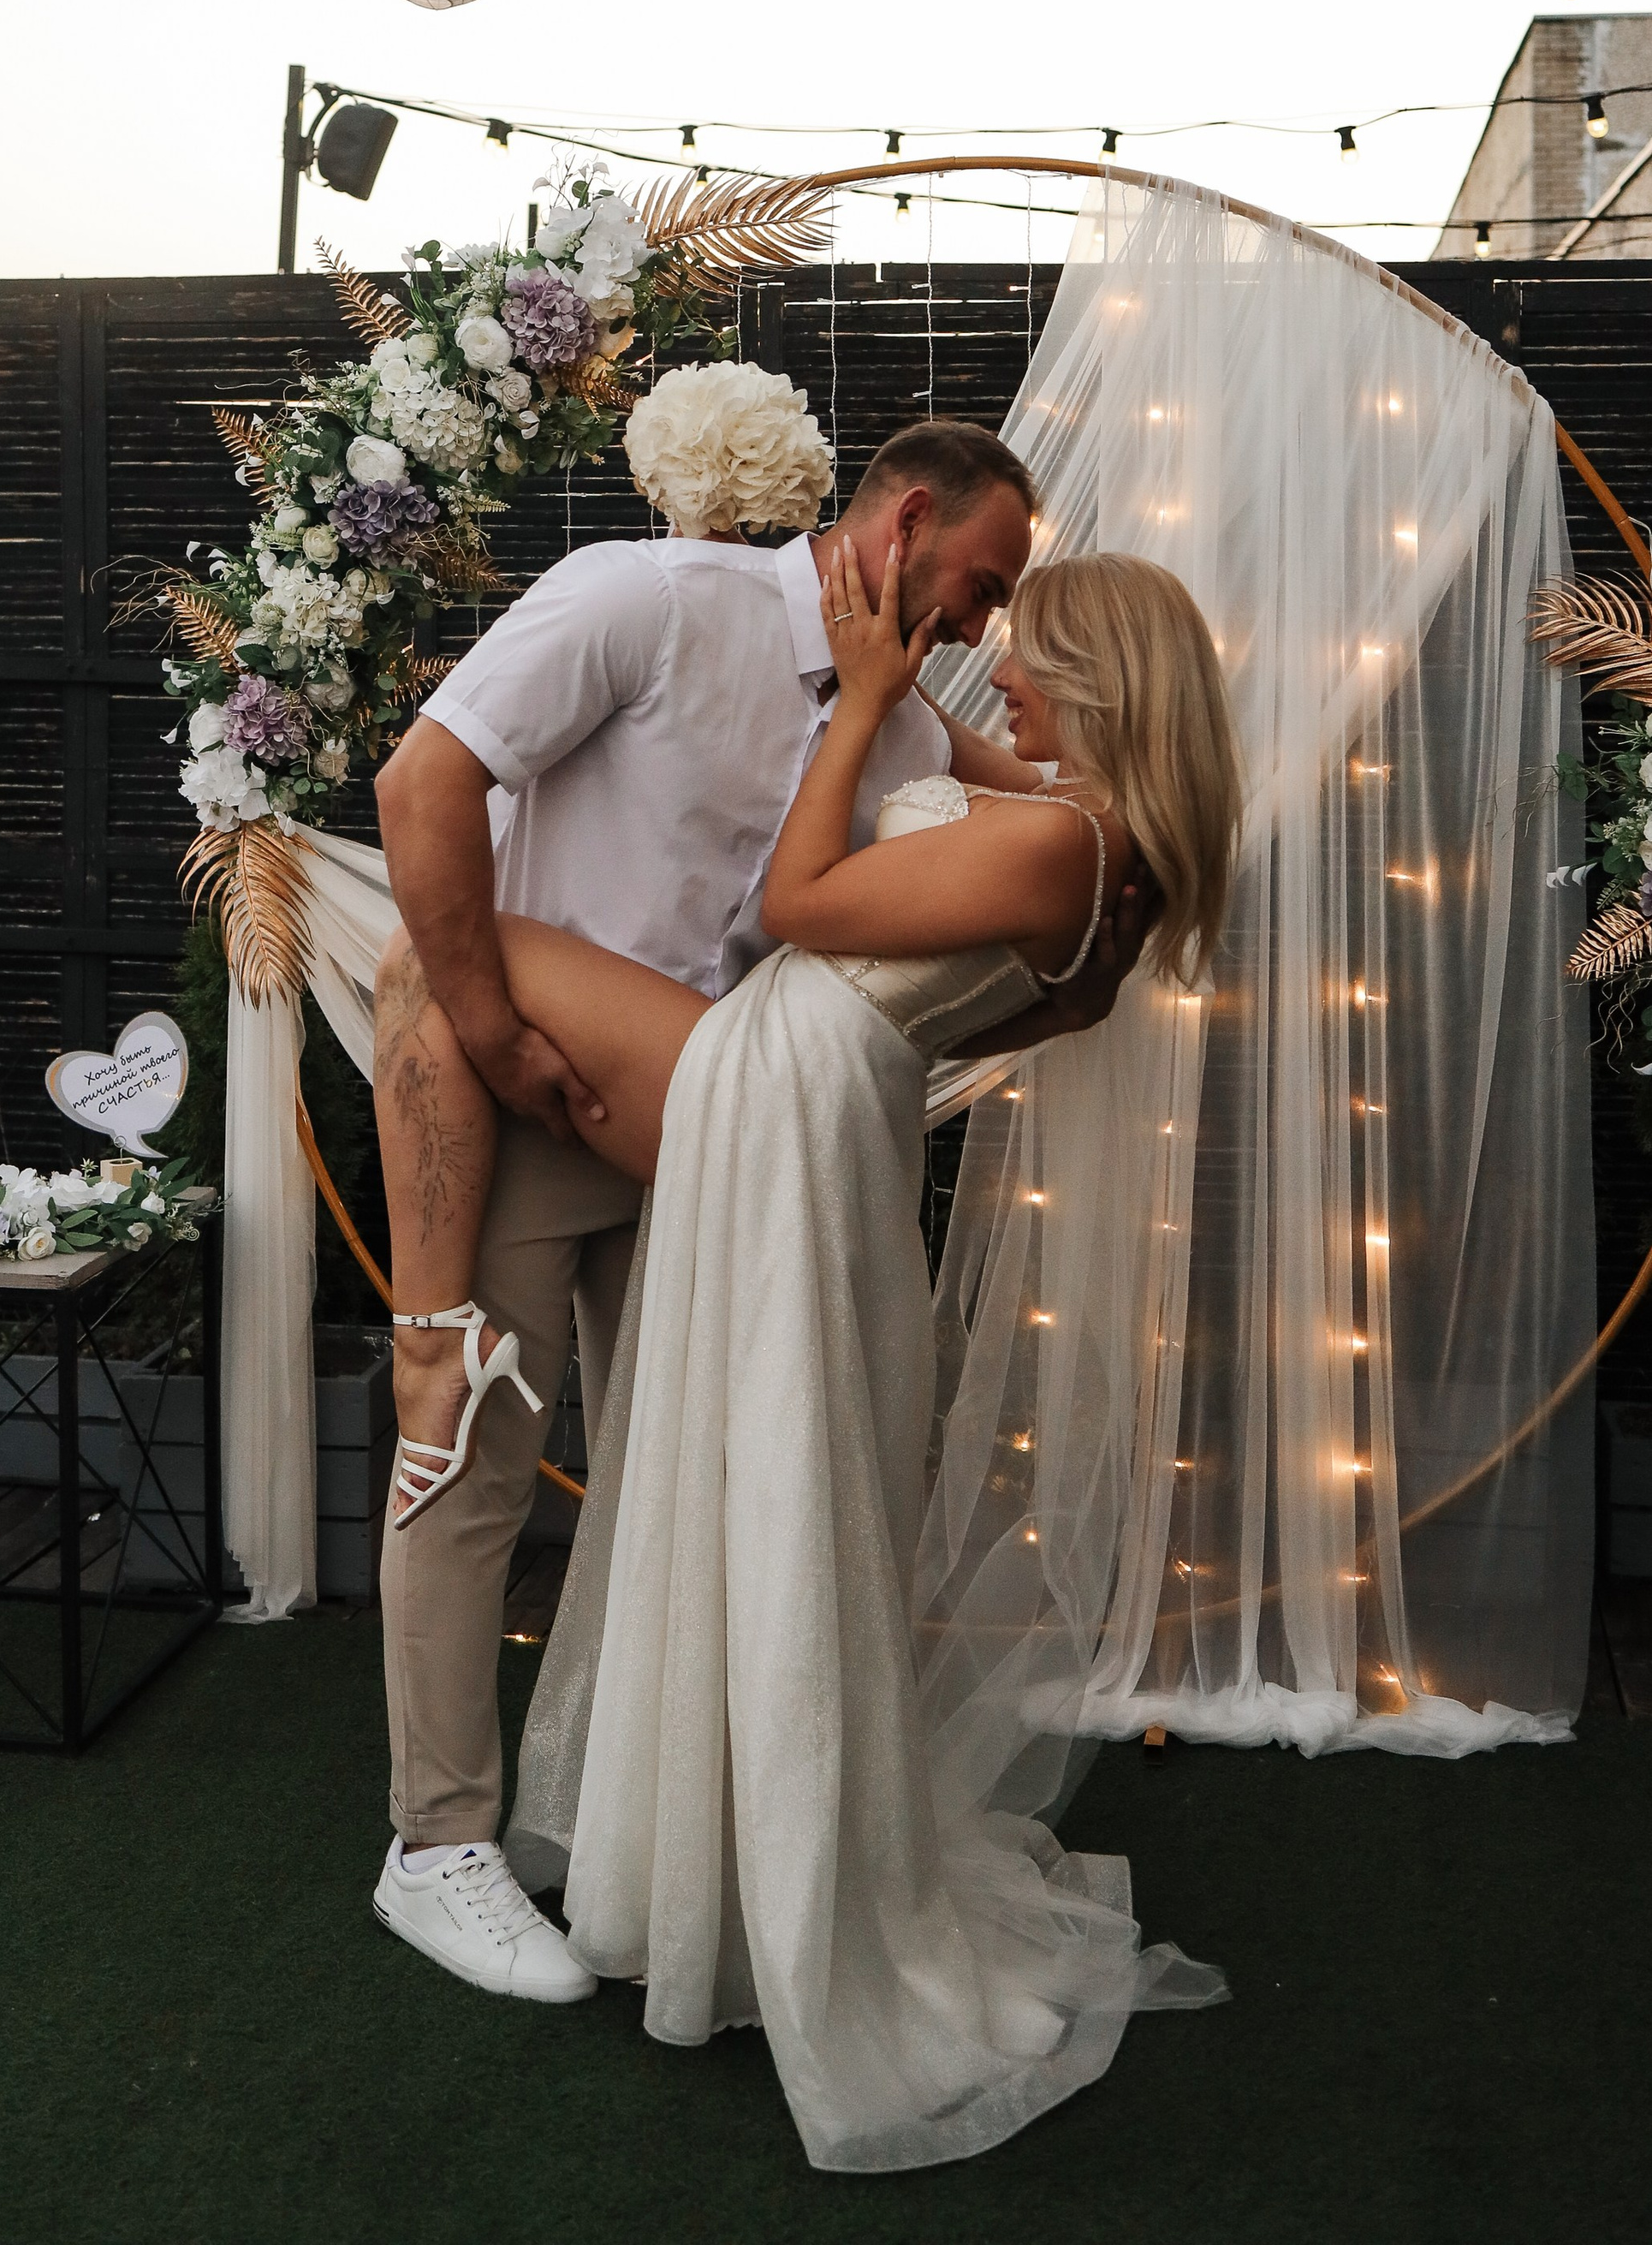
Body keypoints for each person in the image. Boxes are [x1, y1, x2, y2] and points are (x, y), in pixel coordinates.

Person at [392, 544, 1245, 2166]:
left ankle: (431, 1341)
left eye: (1036, 649)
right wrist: (905, 691)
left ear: (1107, 689)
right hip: (826, 1109)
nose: (1008, 671)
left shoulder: (1064, 840)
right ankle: (704, 1838)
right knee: (757, 1479)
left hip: (770, 1085)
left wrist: (855, 710)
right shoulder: (1106, 858)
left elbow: (796, 908)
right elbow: (990, 1001)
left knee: (441, 955)